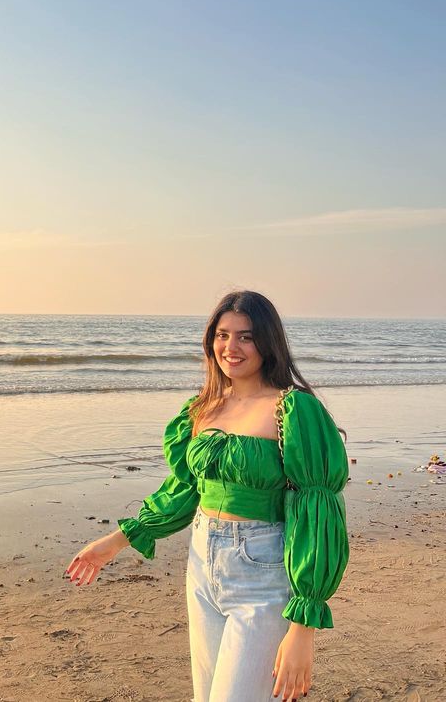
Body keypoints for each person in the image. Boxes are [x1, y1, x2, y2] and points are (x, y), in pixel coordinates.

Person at [65, 290, 350, 702]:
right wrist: (116, 541)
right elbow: (185, 489)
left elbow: (318, 511)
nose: (231, 347)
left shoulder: (292, 409)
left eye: (246, 337)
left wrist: (303, 626)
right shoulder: (203, 408)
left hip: (263, 572)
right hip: (201, 567)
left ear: (268, 341)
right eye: (222, 335)